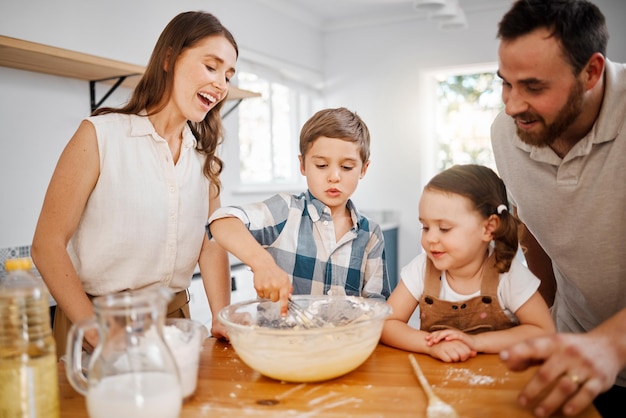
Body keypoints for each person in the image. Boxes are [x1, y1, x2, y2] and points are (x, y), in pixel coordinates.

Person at [30, 11, 237, 358]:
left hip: (175, 324)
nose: (221, 84)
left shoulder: (204, 160)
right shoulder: (100, 134)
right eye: (212, 67)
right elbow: (47, 245)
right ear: (169, 58)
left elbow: (210, 241)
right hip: (94, 326)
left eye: (229, 76)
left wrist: (221, 314)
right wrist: (94, 333)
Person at [491, 1, 626, 416]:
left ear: (591, 72)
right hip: (575, 347)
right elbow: (534, 232)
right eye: (505, 83)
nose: (512, 105)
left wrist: (612, 343)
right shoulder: (508, 131)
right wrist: (540, 324)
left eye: (533, 87)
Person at [208, 107, 391, 315]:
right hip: (282, 345)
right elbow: (221, 220)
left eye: (347, 167)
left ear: (364, 169)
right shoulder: (286, 211)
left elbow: (377, 308)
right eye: (321, 165)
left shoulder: (371, 234)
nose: (334, 176)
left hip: (346, 346)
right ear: (302, 165)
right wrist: (263, 264)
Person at [380, 164, 555, 363]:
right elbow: (387, 324)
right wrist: (430, 346)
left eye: (444, 228)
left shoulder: (507, 274)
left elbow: (544, 332)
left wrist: (476, 342)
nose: (431, 238)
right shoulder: (421, 269)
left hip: (500, 383)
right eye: (425, 227)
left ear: (488, 228)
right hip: (436, 380)